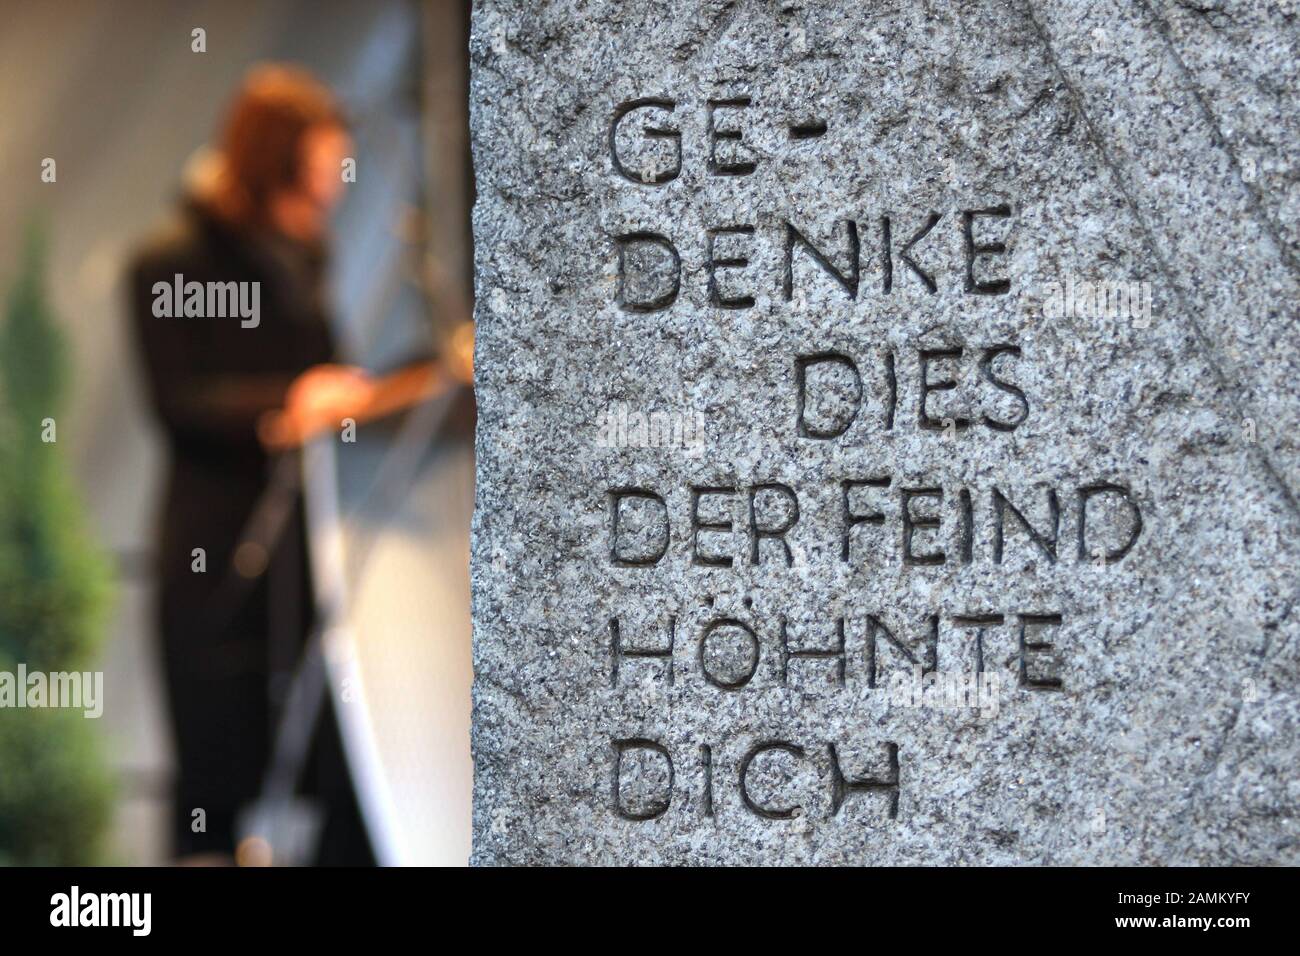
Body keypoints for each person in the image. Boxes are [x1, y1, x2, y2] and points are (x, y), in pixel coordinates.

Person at [128, 64, 376, 864]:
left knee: (342, 763)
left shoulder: (306, 260)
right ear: (281, 158)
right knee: (215, 772)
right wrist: (290, 403)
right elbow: (179, 402)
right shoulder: (169, 262)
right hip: (217, 558)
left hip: (310, 555)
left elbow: (333, 374)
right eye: (326, 163)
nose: (338, 185)